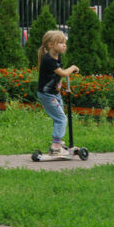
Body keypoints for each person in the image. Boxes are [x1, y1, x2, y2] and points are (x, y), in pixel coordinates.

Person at [36, 29, 79, 159]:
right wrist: (73, 68)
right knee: (62, 119)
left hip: (54, 94)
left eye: (65, 42)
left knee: (59, 118)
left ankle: (58, 143)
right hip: (47, 95)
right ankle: (55, 148)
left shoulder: (57, 57)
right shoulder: (48, 60)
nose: (64, 45)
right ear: (51, 45)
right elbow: (64, 73)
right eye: (60, 43)